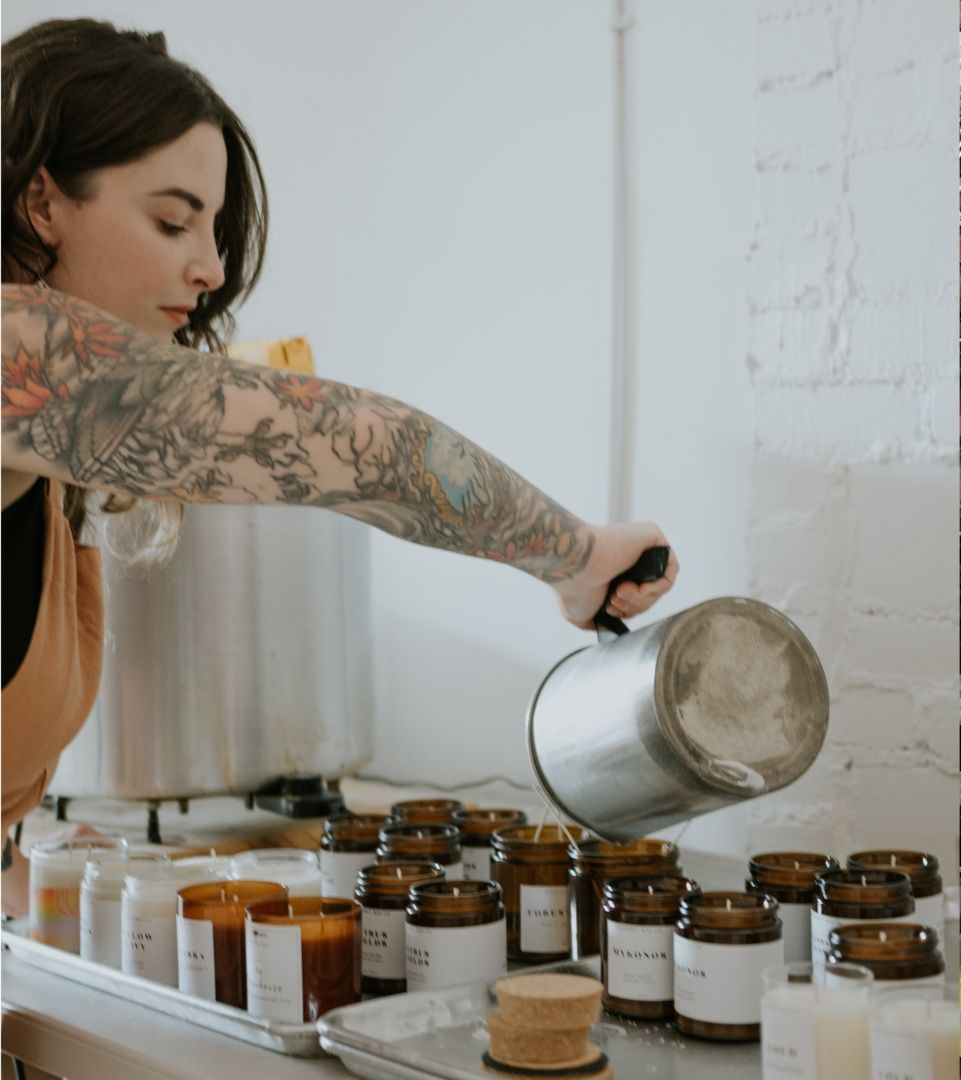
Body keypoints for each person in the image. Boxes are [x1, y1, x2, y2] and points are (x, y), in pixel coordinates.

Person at [0, 18, 679, 845]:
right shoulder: (14, 357)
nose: (211, 269)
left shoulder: (48, 466)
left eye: (214, 230)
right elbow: (354, 450)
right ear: (41, 202)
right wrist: (574, 555)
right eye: (174, 224)